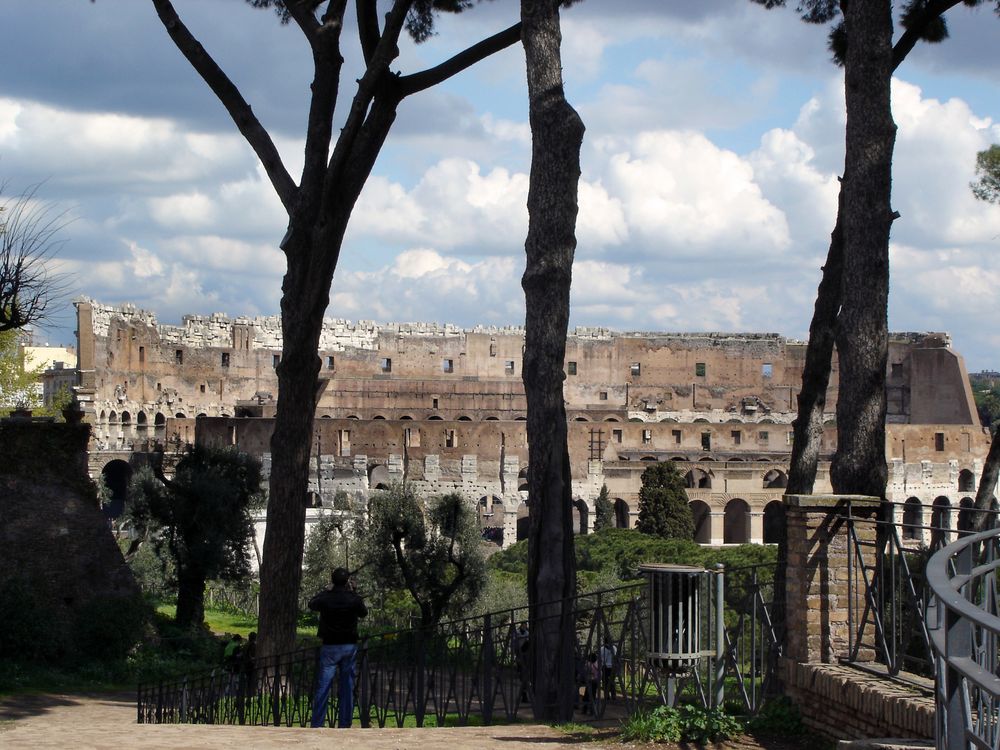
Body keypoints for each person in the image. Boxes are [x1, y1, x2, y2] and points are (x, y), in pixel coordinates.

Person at [309, 567, 368, 729]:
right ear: (347, 581)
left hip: (329, 646)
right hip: (349, 646)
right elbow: (363, 613)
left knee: (323, 686)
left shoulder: (326, 598)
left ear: (332, 581)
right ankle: (345, 723)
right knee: (347, 686)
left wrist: (324, 591)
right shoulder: (353, 599)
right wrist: (355, 592)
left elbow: (311, 604)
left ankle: (318, 723)